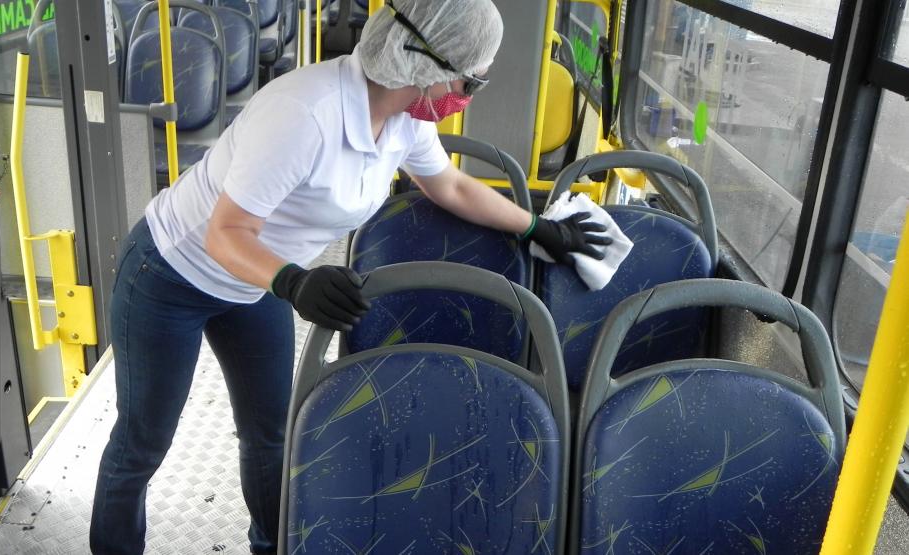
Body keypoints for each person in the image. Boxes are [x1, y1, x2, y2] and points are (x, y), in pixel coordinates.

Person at [90, 0, 609, 553]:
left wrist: (537, 228)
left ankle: (273, 546)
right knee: (143, 441)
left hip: (254, 278)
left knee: (270, 437)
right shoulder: (304, 114)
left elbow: (450, 188)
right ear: (429, 64)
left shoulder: (405, 117)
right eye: (470, 79)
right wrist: (294, 283)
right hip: (173, 271)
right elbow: (225, 232)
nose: (466, 92)